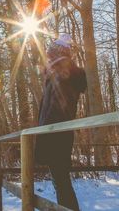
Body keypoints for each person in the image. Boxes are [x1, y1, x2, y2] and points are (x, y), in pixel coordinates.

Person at [35, 34, 87, 211]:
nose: (48, 57)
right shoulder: (55, 74)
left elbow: (59, 108)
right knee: (60, 181)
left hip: (57, 134)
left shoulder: (65, 72)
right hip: (54, 132)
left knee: (62, 182)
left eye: (51, 53)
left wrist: (47, 131)